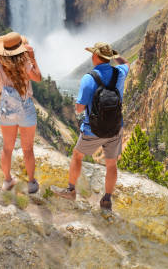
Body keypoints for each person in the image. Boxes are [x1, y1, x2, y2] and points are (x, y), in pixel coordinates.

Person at [53, 42, 129, 210]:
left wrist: (78, 106)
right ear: (109, 58)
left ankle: (71, 190)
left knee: (77, 155)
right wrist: (116, 56)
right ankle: (107, 200)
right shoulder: (120, 72)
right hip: (115, 126)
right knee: (111, 164)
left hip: (92, 129)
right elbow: (126, 63)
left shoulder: (89, 78)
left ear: (95, 56)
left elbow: (80, 108)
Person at [0, 31, 42, 194]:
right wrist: (33, 58)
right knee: (27, 148)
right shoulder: (26, 65)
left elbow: (0, 85)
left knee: (7, 148)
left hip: (7, 108)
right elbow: (38, 78)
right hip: (25, 107)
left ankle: (7, 181)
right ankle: (31, 183)